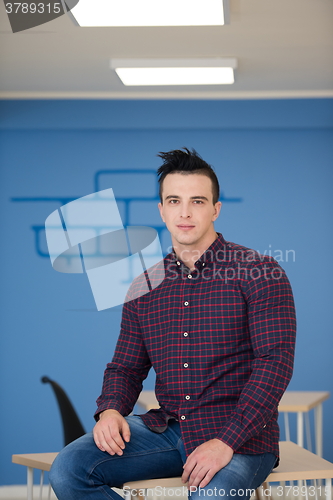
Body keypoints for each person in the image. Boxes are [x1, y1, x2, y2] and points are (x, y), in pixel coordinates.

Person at [50, 148, 296, 500]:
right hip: (167, 429)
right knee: (69, 469)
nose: (184, 212)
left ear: (216, 209)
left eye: (197, 201)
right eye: (174, 200)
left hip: (240, 439)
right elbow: (125, 367)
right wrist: (111, 410)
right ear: (161, 210)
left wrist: (225, 441)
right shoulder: (144, 286)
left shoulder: (259, 272)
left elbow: (275, 363)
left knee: (212, 495)